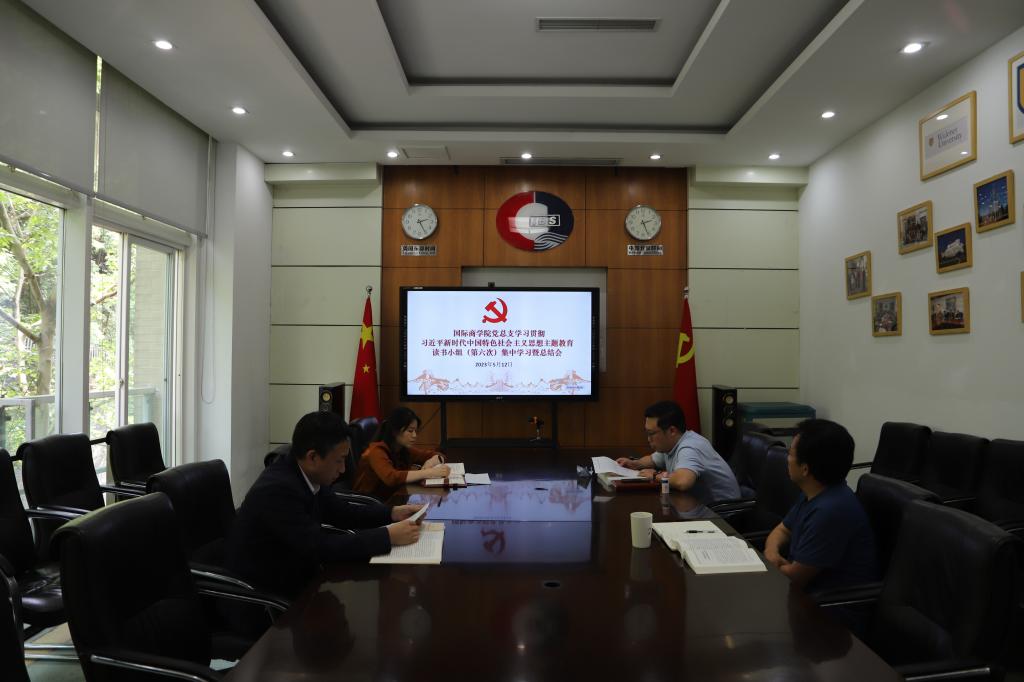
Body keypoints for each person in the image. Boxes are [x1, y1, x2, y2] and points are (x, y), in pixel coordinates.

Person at [225, 411, 423, 601]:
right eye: (339, 460)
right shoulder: (278, 490)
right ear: (313, 457)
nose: (343, 469)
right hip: (265, 596)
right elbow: (319, 546)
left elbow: (342, 512)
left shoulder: (306, 473)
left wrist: (391, 513)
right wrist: (387, 536)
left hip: (297, 575)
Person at [763, 419, 878, 594]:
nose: (787, 459)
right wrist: (772, 553)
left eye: (790, 453)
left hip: (826, 606)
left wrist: (773, 565)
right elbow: (783, 530)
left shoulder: (831, 511)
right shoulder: (815, 492)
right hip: (800, 592)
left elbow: (795, 578)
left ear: (805, 469)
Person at [616, 400, 741, 505]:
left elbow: (683, 481)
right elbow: (652, 460)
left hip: (723, 514)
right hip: (700, 507)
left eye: (651, 433)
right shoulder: (671, 444)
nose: (648, 439)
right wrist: (635, 464)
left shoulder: (690, 447)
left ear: (672, 431)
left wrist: (655, 475)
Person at [352, 406, 450, 500]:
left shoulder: (402, 448)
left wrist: (431, 462)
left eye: (415, 431)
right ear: (395, 431)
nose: (414, 435)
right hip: (369, 503)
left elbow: (438, 455)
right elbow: (391, 478)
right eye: (410, 431)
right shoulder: (376, 451)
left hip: (393, 498)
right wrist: (428, 473)